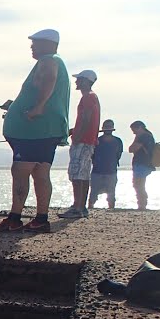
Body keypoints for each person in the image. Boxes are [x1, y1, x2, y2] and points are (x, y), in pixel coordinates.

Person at [0, 29, 70, 234]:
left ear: (49, 44)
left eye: (36, 43)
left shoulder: (49, 61)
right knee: (40, 171)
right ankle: (41, 219)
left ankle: (15, 218)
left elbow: (49, 79)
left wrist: (38, 107)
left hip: (34, 131)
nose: (32, 46)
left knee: (20, 170)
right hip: (45, 130)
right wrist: (17, 104)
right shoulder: (56, 61)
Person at [58, 70, 100, 219]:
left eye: (79, 79)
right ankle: (80, 206)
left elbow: (86, 118)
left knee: (77, 175)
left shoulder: (88, 97)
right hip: (87, 141)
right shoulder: (92, 97)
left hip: (83, 142)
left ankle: (77, 207)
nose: (76, 82)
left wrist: (77, 137)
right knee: (82, 174)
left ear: (86, 81)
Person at [88, 119, 123, 209]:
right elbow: (91, 154)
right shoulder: (97, 141)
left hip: (111, 171)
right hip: (97, 171)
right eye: (106, 127)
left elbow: (118, 154)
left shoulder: (118, 141)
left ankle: (111, 209)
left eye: (109, 127)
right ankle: (90, 208)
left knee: (111, 193)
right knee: (93, 193)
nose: (108, 129)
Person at [129, 120, 156, 210]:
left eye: (134, 130)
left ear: (140, 127)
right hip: (145, 163)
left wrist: (136, 139)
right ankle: (142, 204)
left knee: (138, 184)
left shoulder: (143, 136)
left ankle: (142, 204)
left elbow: (132, 149)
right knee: (139, 184)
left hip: (142, 163)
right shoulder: (148, 136)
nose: (133, 132)